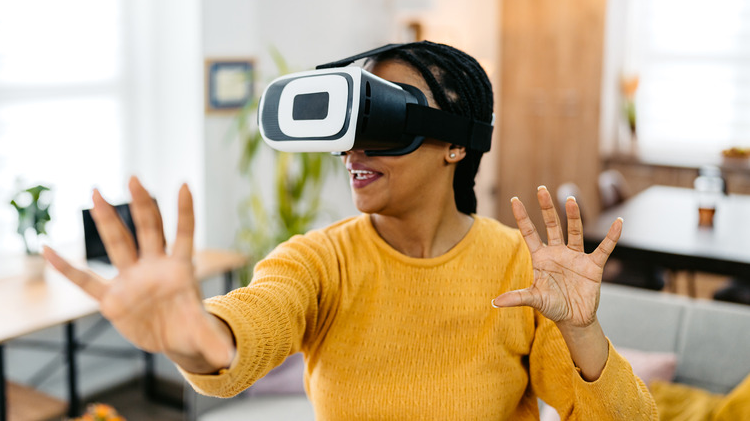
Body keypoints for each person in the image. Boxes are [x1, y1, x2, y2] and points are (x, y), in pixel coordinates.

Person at [44, 41, 657, 420]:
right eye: (349, 121)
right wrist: (198, 335)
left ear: (454, 144)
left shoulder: (519, 270)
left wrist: (582, 329)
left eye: (383, 116)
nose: (354, 149)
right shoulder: (319, 261)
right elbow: (259, 315)